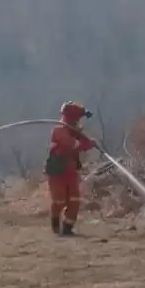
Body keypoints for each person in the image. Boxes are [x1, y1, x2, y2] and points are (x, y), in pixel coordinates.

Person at [44, 101, 96, 236]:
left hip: (70, 170)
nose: (79, 121)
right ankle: (55, 224)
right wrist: (87, 144)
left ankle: (67, 228)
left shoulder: (74, 130)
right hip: (58, 171)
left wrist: (87, 141)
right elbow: (72, 146)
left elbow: (80, 140)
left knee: (74, 200)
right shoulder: (60, 130)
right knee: (59, 200)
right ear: (72, 117)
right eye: (78, 118)